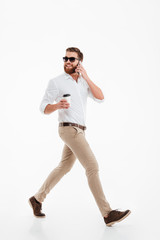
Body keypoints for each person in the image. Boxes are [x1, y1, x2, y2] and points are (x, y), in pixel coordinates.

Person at [28, 47, 131, 226]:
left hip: (80, 130)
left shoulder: (83, 82)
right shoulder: (56, 82)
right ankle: (107, 214)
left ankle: (37, 199)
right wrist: (57, 106)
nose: (67, 61)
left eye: (72, 59)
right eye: (65, 58)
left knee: (64, 166)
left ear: (79, 63)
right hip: (69, 130)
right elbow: (42, 107)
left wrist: (87, 76)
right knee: (92, 166)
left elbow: (101, 97)